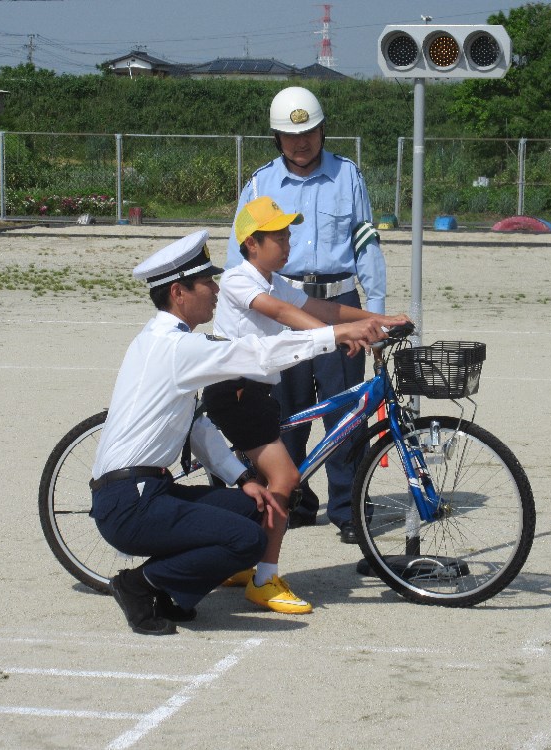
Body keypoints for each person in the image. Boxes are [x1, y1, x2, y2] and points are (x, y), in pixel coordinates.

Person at [90, 229, 388, 636]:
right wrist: (333, 335)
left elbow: (198, 426)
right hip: (131, 503)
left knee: (254, 508)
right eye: (206, 282)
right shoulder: (176, 348)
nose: (215, 289)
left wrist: (244, 478)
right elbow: (253, 353)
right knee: (247, 540)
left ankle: (168, 587)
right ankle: (140, 584)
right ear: (179, 292)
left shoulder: (165, 340)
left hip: (147, 492)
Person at [203, 197, 409, 613]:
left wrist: (375, 319)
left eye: (288, 233)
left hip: (257, 392)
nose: (287, 242)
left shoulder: (272, 278)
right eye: (277, 235)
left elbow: (321, 306)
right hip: (235, 392)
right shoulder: (239, 281)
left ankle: (241, 560)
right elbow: (280, 312)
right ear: (251, 244)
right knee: (285, 477)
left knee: (264, 476)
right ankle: (264, 579)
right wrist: (339, 335)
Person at [224, 86, 387, 544]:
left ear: (322, 130)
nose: (302, 142)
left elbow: (365, 245)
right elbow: (239, 255)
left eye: (310, 132)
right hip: (284, 309)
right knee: (287, 414)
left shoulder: (348, 175)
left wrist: (372, 313)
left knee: (348, 415)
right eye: (291, 135)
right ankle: (292, 498)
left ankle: (348, 508)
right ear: (277, 138)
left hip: (338, 301)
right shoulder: (260, 183)